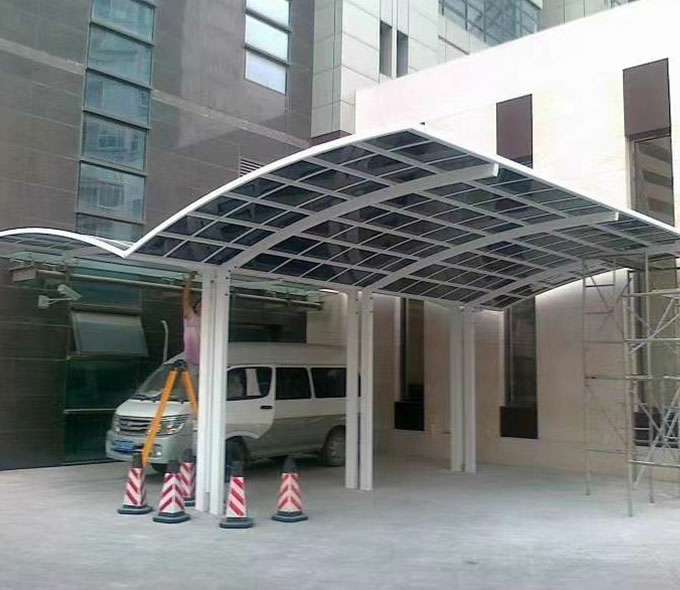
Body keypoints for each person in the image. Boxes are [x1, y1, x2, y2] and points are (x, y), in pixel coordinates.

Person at [182, 272, 201, 367]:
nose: (202, 307)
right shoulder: (191, 316)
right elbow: (185, 300)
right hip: (191, 361)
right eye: (200, 305)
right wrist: (189, 281)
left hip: (206, 360)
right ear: (195, 307)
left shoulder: (209, 321)